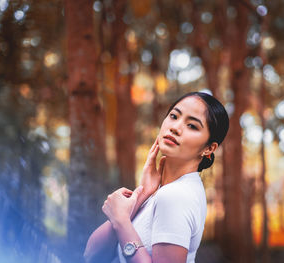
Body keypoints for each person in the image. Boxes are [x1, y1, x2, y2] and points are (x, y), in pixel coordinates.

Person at [84, 91, 229, 263]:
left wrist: (122, 221)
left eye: (192, 126)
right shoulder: (164, 191)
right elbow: (91, 254)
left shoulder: (175, 196)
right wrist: (142, 193)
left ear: (209, 149)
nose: (175, 127)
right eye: (174, 116)